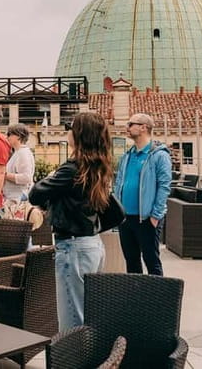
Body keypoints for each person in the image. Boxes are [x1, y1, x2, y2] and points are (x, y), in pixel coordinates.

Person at [29, 112, 113, 331]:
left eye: (71, 128)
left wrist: (52, 175)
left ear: (79, 134)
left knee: (72, 323)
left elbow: (35, 194)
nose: (67, 131)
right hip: (92, 244)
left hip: (73, 249)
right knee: (88, 315)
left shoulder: (72, 168)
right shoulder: (97, 166)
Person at [113, 113, 172, 276]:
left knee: (151, 261)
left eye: (130, 124)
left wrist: (155, 216)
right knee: (131, 261)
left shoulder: (159, 155)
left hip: (146, 218)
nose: (127, 127)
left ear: (143, 128)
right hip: (126, 218)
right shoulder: (127, 155)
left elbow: (164, 187)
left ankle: (157, 300)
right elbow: (119, 182)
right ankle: (136, 299)